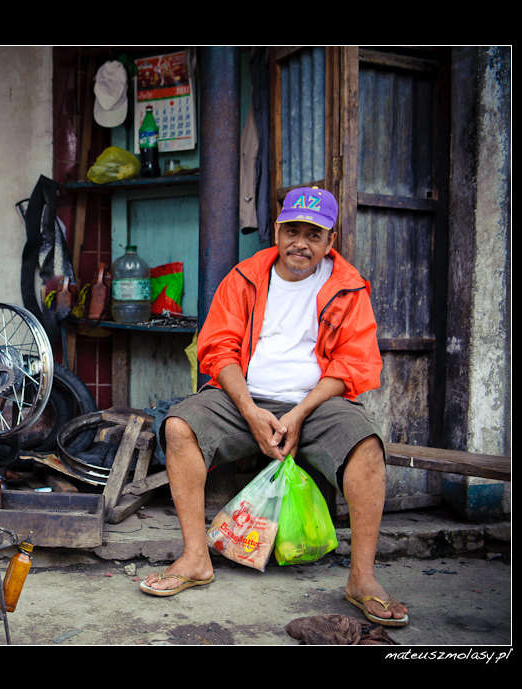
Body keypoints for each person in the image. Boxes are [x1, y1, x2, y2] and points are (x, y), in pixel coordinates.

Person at [140, 187, 408, 627]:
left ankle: (362, 578)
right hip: (244, 397)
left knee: (368, 447)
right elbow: (219, 349)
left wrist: (299, 413)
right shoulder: (245, 276)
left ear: (330, 239)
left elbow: (353, 362)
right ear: (278, 231)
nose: (301, 243)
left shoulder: (348, 286)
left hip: (318, 402)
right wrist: (249, 411)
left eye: (313, 234)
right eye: (292, 230)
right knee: (179, 427)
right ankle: (195, 558)